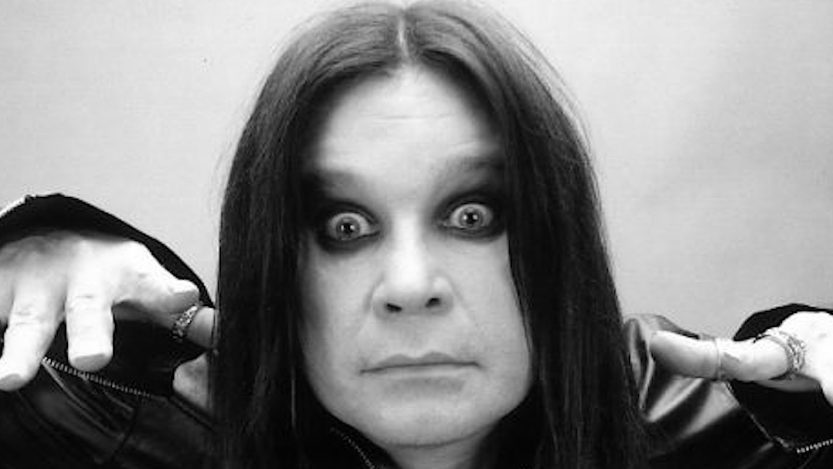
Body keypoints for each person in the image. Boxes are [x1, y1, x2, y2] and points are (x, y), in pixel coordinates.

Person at [1, 1, 833, 468]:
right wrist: (30, 244)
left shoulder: (688, 421)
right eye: (344, 225)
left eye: (472, 216)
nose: (409, 284)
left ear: (558, 244)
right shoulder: (135, 426)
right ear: (274, 267)